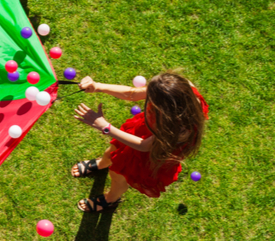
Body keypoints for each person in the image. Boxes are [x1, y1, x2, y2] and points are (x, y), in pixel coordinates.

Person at [69, 72, 208, 212]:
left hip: (152, 153)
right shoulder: (177, 89)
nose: (146, 98)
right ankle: (101, 164)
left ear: (165, 112)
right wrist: (97, 86)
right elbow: (132, 94)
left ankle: (111, 199)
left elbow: (145, 145)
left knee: (118, 175)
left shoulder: (179, 128)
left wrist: (105, 127)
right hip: (145, 132)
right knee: (111, 152)